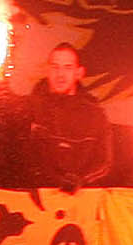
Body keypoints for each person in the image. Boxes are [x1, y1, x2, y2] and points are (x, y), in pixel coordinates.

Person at [16, 43, 118, 190]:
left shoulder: (95, 115)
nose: (60, 74)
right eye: (55, 67)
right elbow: (19, 157)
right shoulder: (29, 108)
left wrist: (80, 180)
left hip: (80, 200)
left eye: (67, 67)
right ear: (47, 70)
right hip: (36, 201)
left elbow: (104, 162)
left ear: (79, 73)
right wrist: (51, 181)